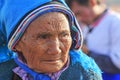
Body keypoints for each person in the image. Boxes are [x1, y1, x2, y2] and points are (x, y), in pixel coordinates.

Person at [0, 0, 102, 80]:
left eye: (64, 35)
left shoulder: (84, 74)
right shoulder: (4, 73)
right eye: (43, 37)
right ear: (16, 43)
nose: (56, 50)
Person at [66, 0, 120, 80]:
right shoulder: (87, 25)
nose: (79, 19)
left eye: (79, 13)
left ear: (92, 2)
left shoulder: (115, 23)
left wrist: (87, 53)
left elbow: (117, 63)